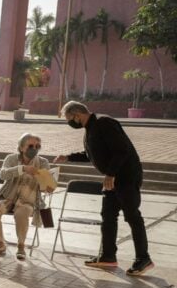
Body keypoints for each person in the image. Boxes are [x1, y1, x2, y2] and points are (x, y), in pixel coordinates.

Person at [55, 100, 153, 276]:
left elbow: (121, 150)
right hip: (113, 179)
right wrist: (68, 157)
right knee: (108, 216)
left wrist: (111, 174)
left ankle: (143, 258)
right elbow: (92, 155)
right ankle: (107, 257)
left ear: (77, 115)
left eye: (69, 118)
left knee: (132, 216)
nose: (69, 122)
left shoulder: (104, 123)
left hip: (126, 177)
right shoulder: (90, 129)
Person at [0, 133, 55, 260]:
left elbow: (46, 186)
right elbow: (2, 175)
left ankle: (21, 246)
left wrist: (48, 187)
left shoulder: (43, 162)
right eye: (30, 146)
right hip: (7, 197)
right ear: (21, 147)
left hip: (28, 200)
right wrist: (22, 168)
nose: (34, 149)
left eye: (37, 146)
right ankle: (0, 243)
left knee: (21, 213)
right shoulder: (11, 159)